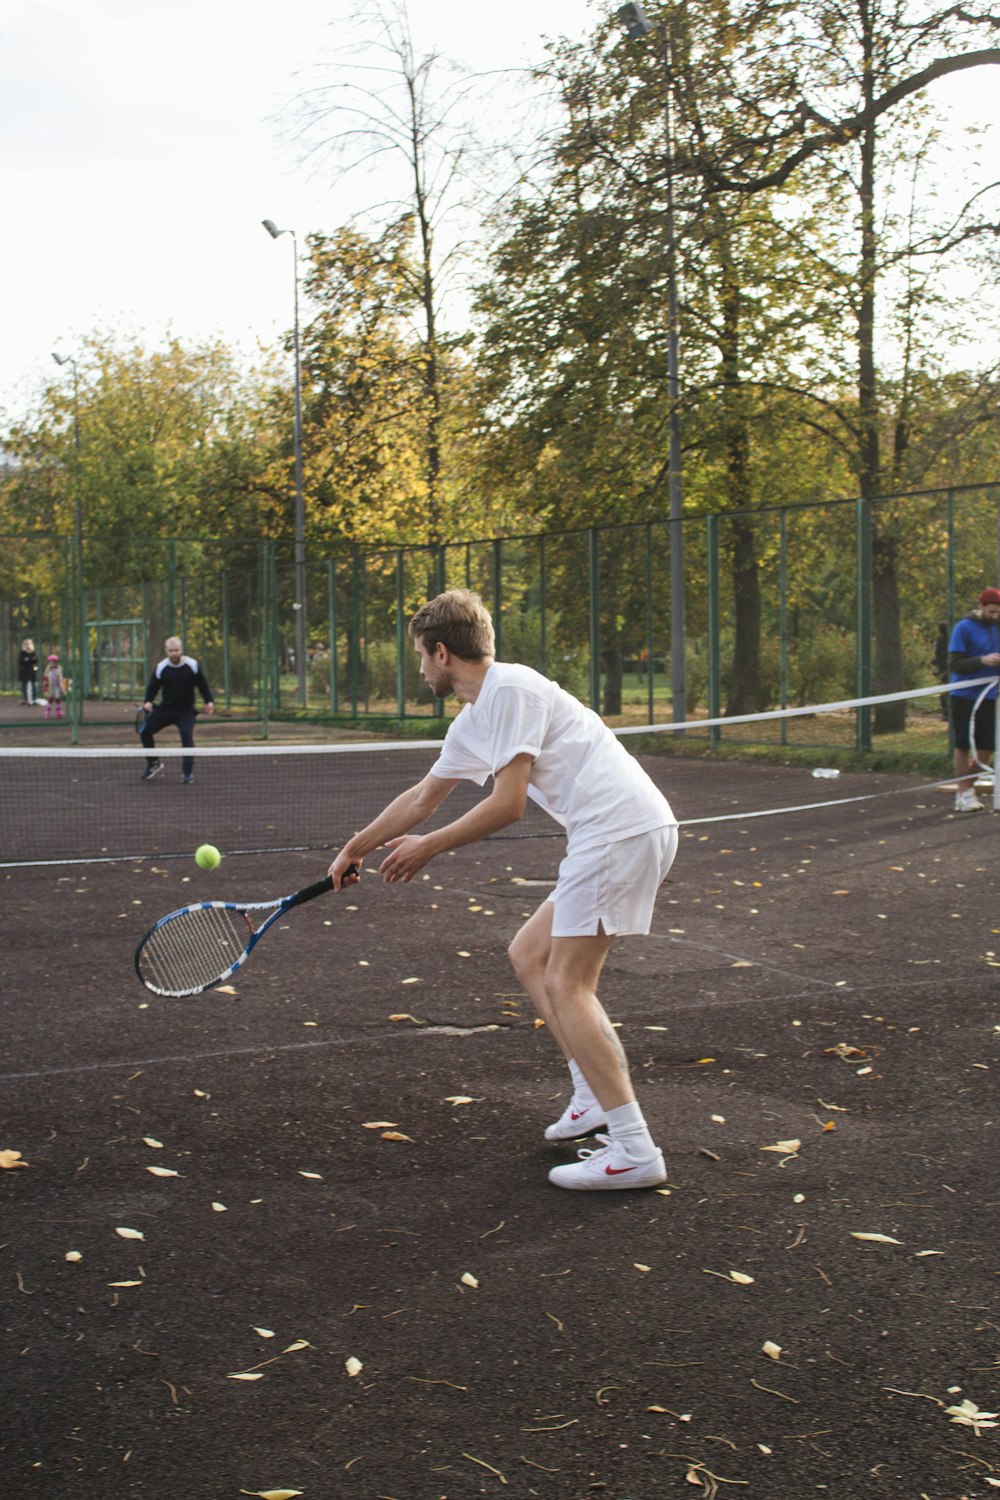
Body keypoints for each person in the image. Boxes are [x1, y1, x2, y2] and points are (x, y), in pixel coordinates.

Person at [329, 589, 678, 1192]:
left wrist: (429, 847)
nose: (418, 670)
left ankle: (633, 1148)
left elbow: (509, 804)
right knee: (529, 954)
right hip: (612, 833)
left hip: (619, 831)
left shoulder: (510, 688)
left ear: (443, 652)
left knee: (569, 983)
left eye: (420, 656)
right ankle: (591, 1096)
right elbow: (422, 798)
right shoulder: (474, 719)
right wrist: (355, 847)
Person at [947, 587, 1000, 811]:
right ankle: (963, 791)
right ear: (981, 607)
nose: (995, 616)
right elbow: (955, 664)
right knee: (962, 745)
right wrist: (982, 661)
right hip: (964, 695)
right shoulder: (963, 628)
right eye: (991, 612)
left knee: (987, 745)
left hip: (988, 695)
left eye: (998, 612)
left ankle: (967, 788)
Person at [139, 636, 214, 783]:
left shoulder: (192, 665)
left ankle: (187, 773)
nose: (174, 653)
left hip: (186, 711)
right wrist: (148, 701)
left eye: (177, 650)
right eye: (171, 651)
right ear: (166, 651)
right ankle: (153, 763)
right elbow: (152, 686)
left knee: (187, 738)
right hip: (166, 709)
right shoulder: (161, 667)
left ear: (181, 650)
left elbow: (203, 685)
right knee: (145, 731)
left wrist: (209, 701)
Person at [932, 621, 949, 721]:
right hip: (946, 668)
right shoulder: (947, 639)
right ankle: (946, 712)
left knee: (944, 691)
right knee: (945, 691)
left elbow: (938, 654)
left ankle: (946, 712)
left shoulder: (940, 640)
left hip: (945, 668)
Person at [42, 653, 67, 719]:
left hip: (57, 686)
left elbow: (61, 677)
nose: (52, 664)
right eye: (51, 662)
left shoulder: (59, 669)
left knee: (57, 698)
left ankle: (58, 710)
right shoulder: (48, 669)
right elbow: (45, 677)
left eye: (53, 662)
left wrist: (62, 686)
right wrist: (45, 685)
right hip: (50, 686)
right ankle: (47, 710)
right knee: (50, 698)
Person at [18, 638, 38, 706]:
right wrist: (29, 660)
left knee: (33, 685)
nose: (27, 645)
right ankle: (26, 699)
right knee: (24, 686)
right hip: (24, 671)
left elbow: (35, 660)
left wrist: (28, 660)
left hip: (32, 671)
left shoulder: (33, 652)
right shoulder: (22, 653)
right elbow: (22, 661)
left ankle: (34, 699)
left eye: (29, 644)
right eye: (26, 644)